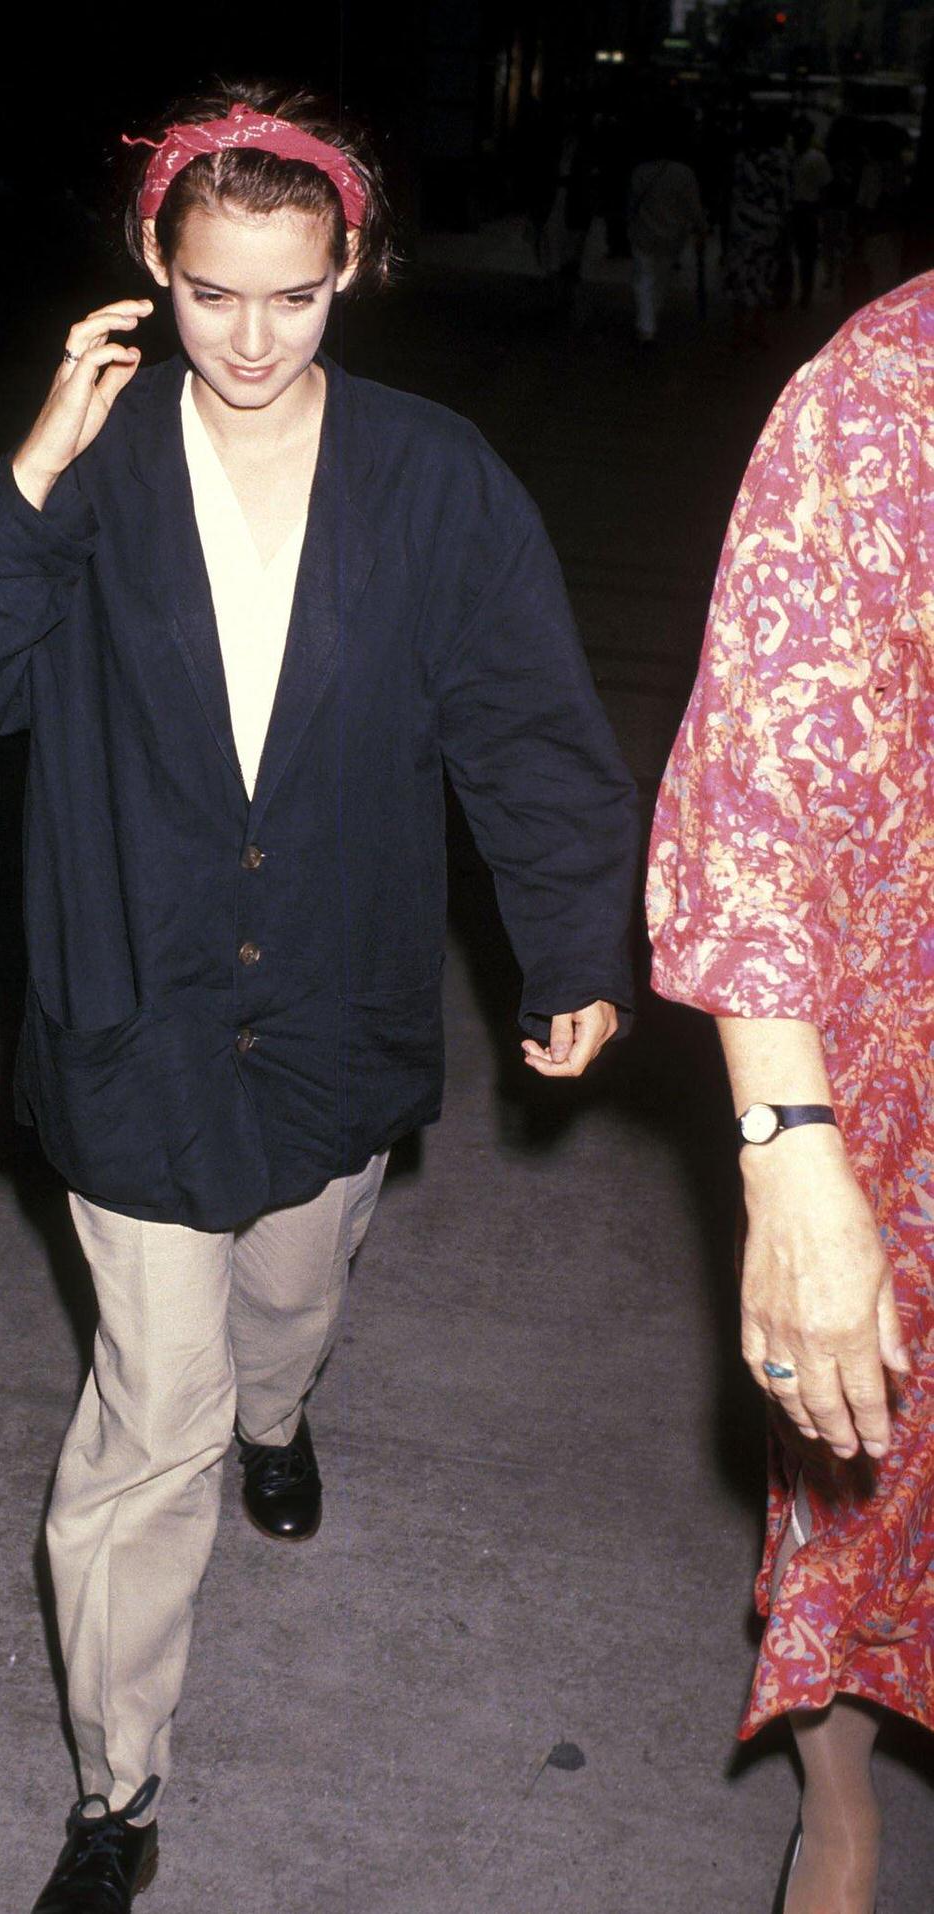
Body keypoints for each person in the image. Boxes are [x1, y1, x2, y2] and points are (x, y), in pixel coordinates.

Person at [0, 80, 639, 1913]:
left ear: (350, 269)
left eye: (292, 295)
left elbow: (526, 727)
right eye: (214, 290)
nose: (248, 334)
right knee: (151, 1422)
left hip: (334, 1004)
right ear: (156, 263)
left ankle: (285, 1412)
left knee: (285, 1302)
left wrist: (574, 942)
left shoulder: (435, 475)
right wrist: (32, 474)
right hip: (130, 1009)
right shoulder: (95, 472)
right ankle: (116, 1788)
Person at [648, 274, 933, 1914]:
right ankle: (843, 1800)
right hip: (906, 1077)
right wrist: (795, 1156)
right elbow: (758, 788)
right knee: (853, 1472)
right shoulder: (891, 389)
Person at [626, 113, 706, 344]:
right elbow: (693, 206)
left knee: (644, 277)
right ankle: (649, 319)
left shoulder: (640, 172)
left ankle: (646, 324)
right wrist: (701, 227)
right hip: (672, 235)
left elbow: (632, 202)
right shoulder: (683, 174)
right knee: (660, 276)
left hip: (644, 232)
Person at [724, 106, 793, 349]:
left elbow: (731, 192)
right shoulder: (780, 159)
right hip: (769, 227)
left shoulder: (741, 158)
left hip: (742, 226)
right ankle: (758, 331)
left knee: (741, 277)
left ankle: (738, 332)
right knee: (764, 277)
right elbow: (784, 196)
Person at [790, 117, 833, 311]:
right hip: (789, 209)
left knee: (806, 256)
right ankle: (784, 292)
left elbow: (825, 188)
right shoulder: (788, 155)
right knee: (788, 255)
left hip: (807, 209)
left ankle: (805, 294)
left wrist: (820, 214)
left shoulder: (816, 158)